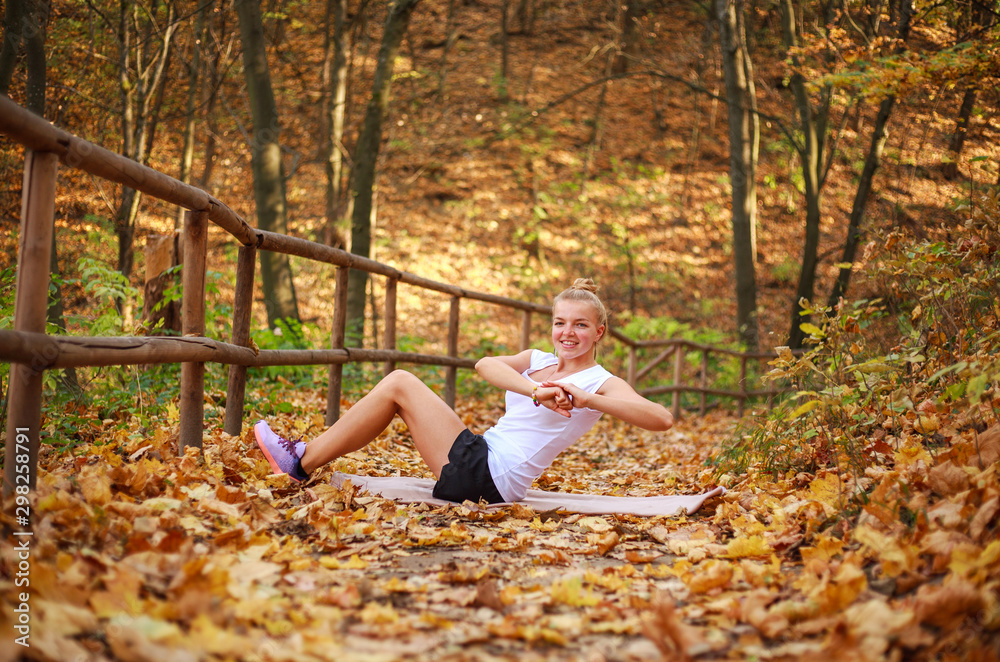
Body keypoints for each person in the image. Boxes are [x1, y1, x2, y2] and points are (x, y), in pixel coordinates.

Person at [252, 278, 674, 504]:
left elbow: (661, 418)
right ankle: (304, 458)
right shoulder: (538, 360)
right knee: (399, 386)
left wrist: (587, 399)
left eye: (580, 325)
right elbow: (485, 365)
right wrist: (536, 389)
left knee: (400, 382)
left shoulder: (598, 379)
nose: (568, 332)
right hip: (484, 458)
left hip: (491, 478)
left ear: (599, 332)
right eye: (560, 322)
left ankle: (301, 460)